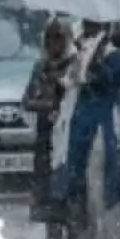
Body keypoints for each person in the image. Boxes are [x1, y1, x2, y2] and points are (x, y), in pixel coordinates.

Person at [50, 20, 120, 212]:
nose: (86, 27)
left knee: (97, 179)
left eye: (92, 23)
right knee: (73, 174)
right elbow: (68, 81)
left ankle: (95, 224)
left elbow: (109, 84)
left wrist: (94, 64)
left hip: (98, 124)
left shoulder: (114, 56)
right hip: (77, 121)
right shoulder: (77, 51)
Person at [22, 19, 76, 222]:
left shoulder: (74, 66)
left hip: (67, 133)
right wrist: (49, 105)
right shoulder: (40, 67)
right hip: (45, 134)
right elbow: (27, 101)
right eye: (50, 39)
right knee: (44, 181)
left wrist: (59, 104)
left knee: (66, 180)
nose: (55, 44)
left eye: (59, 38)